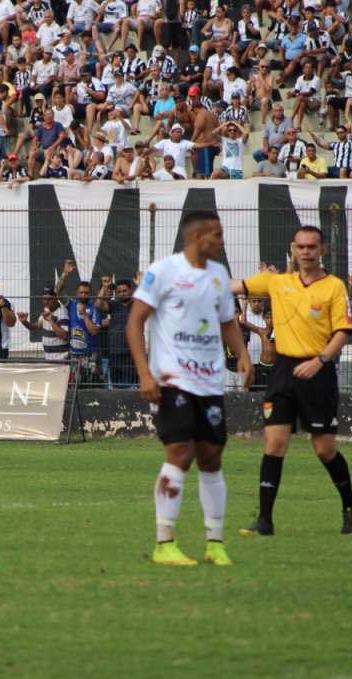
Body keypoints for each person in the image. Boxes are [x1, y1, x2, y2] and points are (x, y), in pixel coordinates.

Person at [126, 210, 253, 567]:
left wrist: (242, 354)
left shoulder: (218, 275)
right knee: (180, 453)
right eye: (217, 235)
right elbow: (135, 322)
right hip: (172, 380)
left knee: (212, 459)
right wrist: (144, 374)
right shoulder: (164, 271)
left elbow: (227, 322)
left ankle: (215, 542)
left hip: (209, 381)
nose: (222, 241)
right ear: (198, 238)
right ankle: (164, 542)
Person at [232, 226, 352, 536]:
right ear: (293, 249)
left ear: (322, 251)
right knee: (274, 443)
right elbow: (231, 286)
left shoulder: (333, 287)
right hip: (282, 371)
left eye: (312, 247)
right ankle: (265, 521)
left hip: (318, 372)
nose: (306, 252)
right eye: (301, 247)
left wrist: (319, 361)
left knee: (324, 448)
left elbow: (343, 332)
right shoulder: (276, 282)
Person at [96, 277, 136, 388]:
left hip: (131, 353)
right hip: (114, 352)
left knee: (131, 387)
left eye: (124, 291)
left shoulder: (137, 304)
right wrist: (104, 287)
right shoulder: (113, 304)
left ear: (130, 291)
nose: (122, 294)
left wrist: (140, 285)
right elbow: (98, 304)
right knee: (116, 387)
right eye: (119, 292)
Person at [17, 288, 69, 362]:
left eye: (49, 299)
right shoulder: (47, 310)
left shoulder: (62, 313)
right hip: (49, 360)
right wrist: (25, 322)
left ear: (56, 298)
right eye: (44, 299)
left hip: (62, 360)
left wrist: (51, 321)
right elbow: (37, 326)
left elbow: (64, 335)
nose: (46, 302)